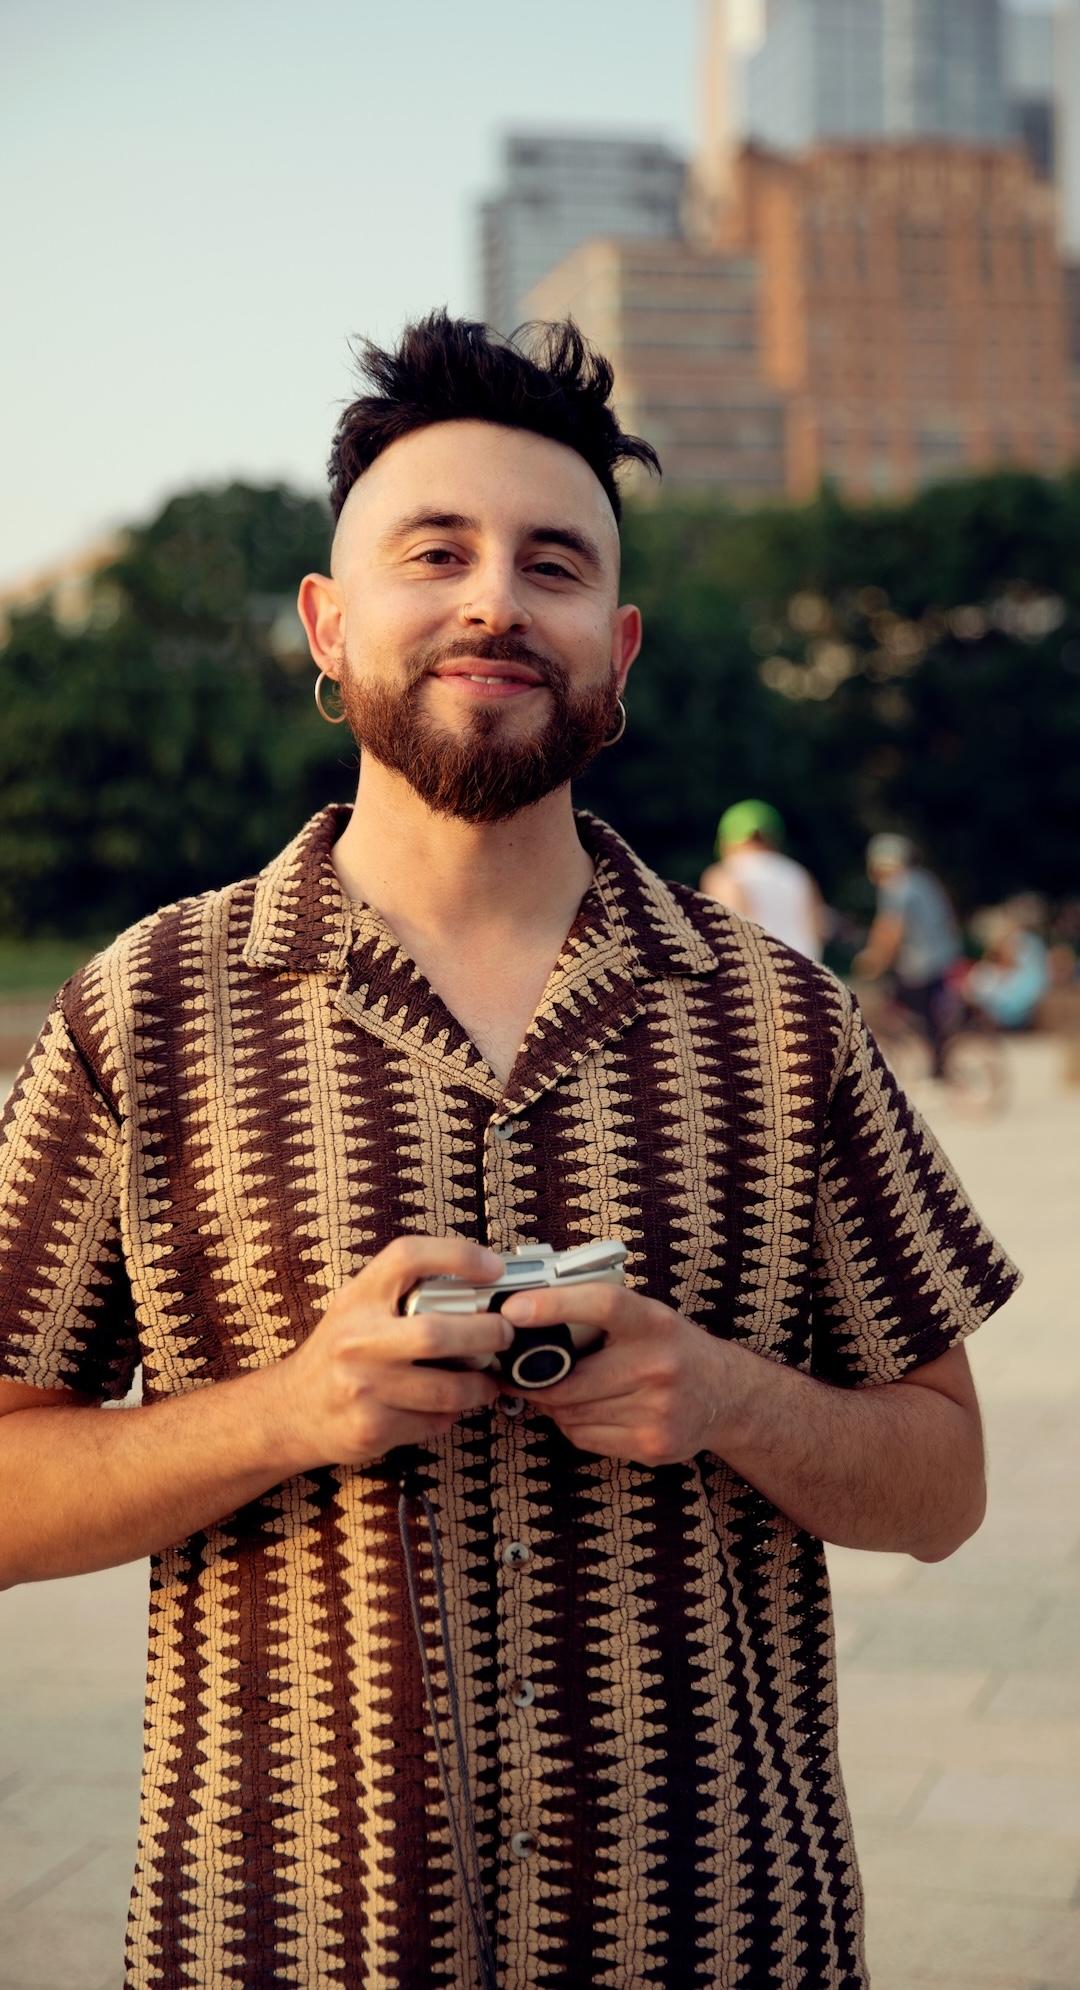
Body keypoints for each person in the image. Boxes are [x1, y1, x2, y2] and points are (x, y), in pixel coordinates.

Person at [0, 314, 1020, 1990]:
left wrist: (731, 1396)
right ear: (328, 628)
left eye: (552, 564)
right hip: (288, 1937)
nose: (494, 599)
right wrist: (285, 1412)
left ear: (614, 652)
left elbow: (946, 1487)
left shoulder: (778, 1017)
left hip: (714, 1935)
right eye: (435, 551)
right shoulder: (153, 1002)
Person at [855, 832, 962, 1079]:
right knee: (929, 1018)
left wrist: (874, 960)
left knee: (898, 1002)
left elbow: (890, 930)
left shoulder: (897, 887)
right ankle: (939, 1062)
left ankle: (932, 1065)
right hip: (944, 958)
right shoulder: (925, 881)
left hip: (921, 963)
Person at [699, 798, 827, 959]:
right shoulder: (799, 873)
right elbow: (818, 928)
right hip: (805, 969)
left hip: (757, 972)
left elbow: (729, 930)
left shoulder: (724, 874)